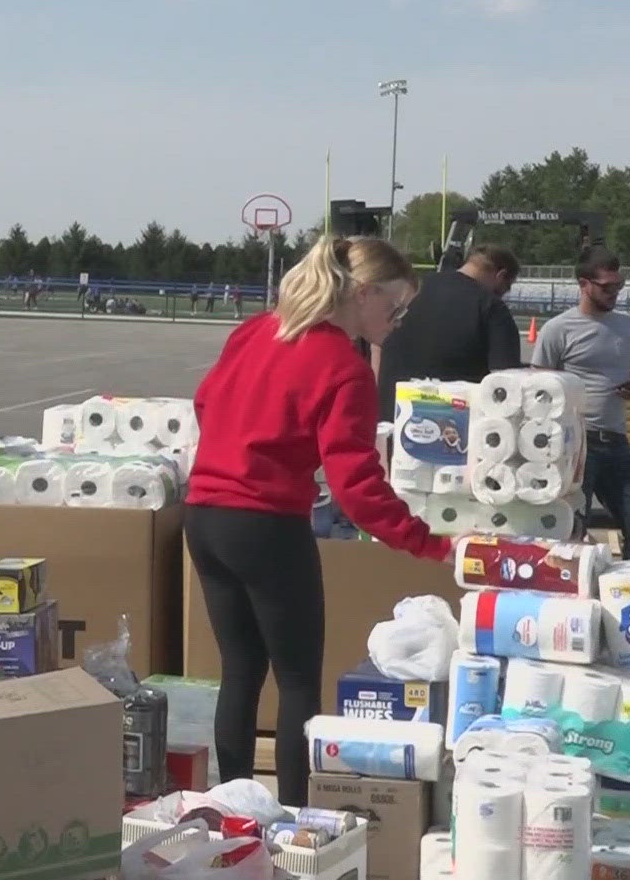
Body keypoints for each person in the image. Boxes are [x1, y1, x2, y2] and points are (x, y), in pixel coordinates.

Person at [185, 235, 454, 806]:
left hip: (206, 514)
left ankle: (234, 807)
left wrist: (245, 446)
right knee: (298, 680)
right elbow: (357, 488)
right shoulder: (344, 366)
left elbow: (206, 400)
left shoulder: (258, 329)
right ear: (363, 293)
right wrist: (430, 544)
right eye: (395, 306)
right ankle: (291, 817)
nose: (398, 321)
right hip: (266, 525)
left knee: (240, 670)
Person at [532, 246, 630, 559]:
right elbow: (538, 388)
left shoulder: (627, 326)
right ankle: (574, 595)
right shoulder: (558, 329)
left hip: (617, 441)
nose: (614, 292)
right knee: (572, 528)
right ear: (584, 284)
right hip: (576, 446)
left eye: (618, 286)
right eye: (606, 286)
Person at [373, 242, 524, 420]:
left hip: (392, 416)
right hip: (453, 425)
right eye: (507, 287)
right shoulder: (491, 307)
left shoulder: (411, 288)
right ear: (501, 275)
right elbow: (505, 380)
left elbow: (376, 344)